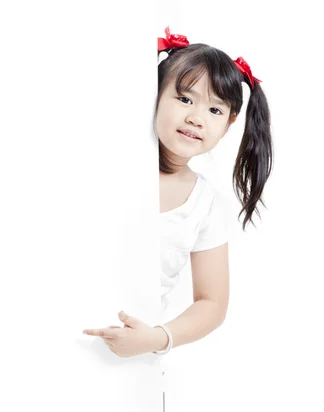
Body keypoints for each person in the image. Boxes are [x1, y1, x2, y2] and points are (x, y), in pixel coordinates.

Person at [83, 26, 273, 408]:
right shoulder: (103, 164)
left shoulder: (205, 204)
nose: (197, 117)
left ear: (230, 123)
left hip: (133, 370)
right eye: (184, 98)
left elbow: (212, 302)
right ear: (154, 94)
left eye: (215, 109)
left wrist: (157, 337)